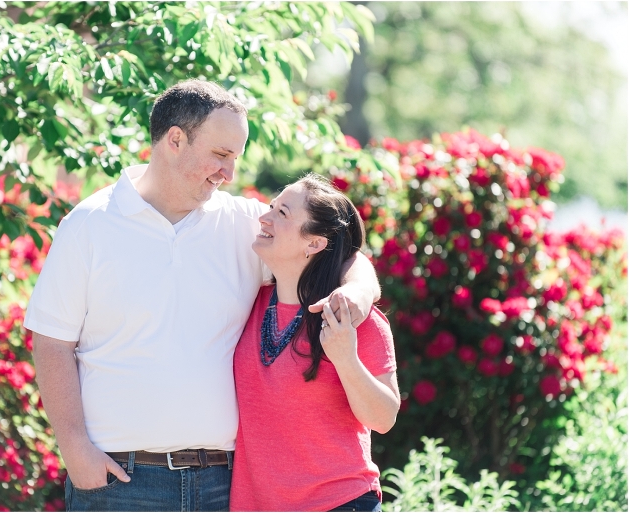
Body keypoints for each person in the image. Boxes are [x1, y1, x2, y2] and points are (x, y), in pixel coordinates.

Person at [24, 80, 381, 512]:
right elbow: (51, 343)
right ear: (175, 139)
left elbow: (339, 254)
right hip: (120, 483)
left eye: (235, 158)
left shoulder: (245, 225)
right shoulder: (89, 225)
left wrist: (359, 293)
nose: (229, 173)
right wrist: (76, 450)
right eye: (221, 155)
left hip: (222, 484)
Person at [230, 174, 400, 512]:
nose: (265, 219)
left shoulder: (353, 319)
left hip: (339, 503)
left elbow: (384, 418)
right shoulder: (250, 302)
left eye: (283, 214)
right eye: (271, 208)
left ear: (314, 244)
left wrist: (345, 358)